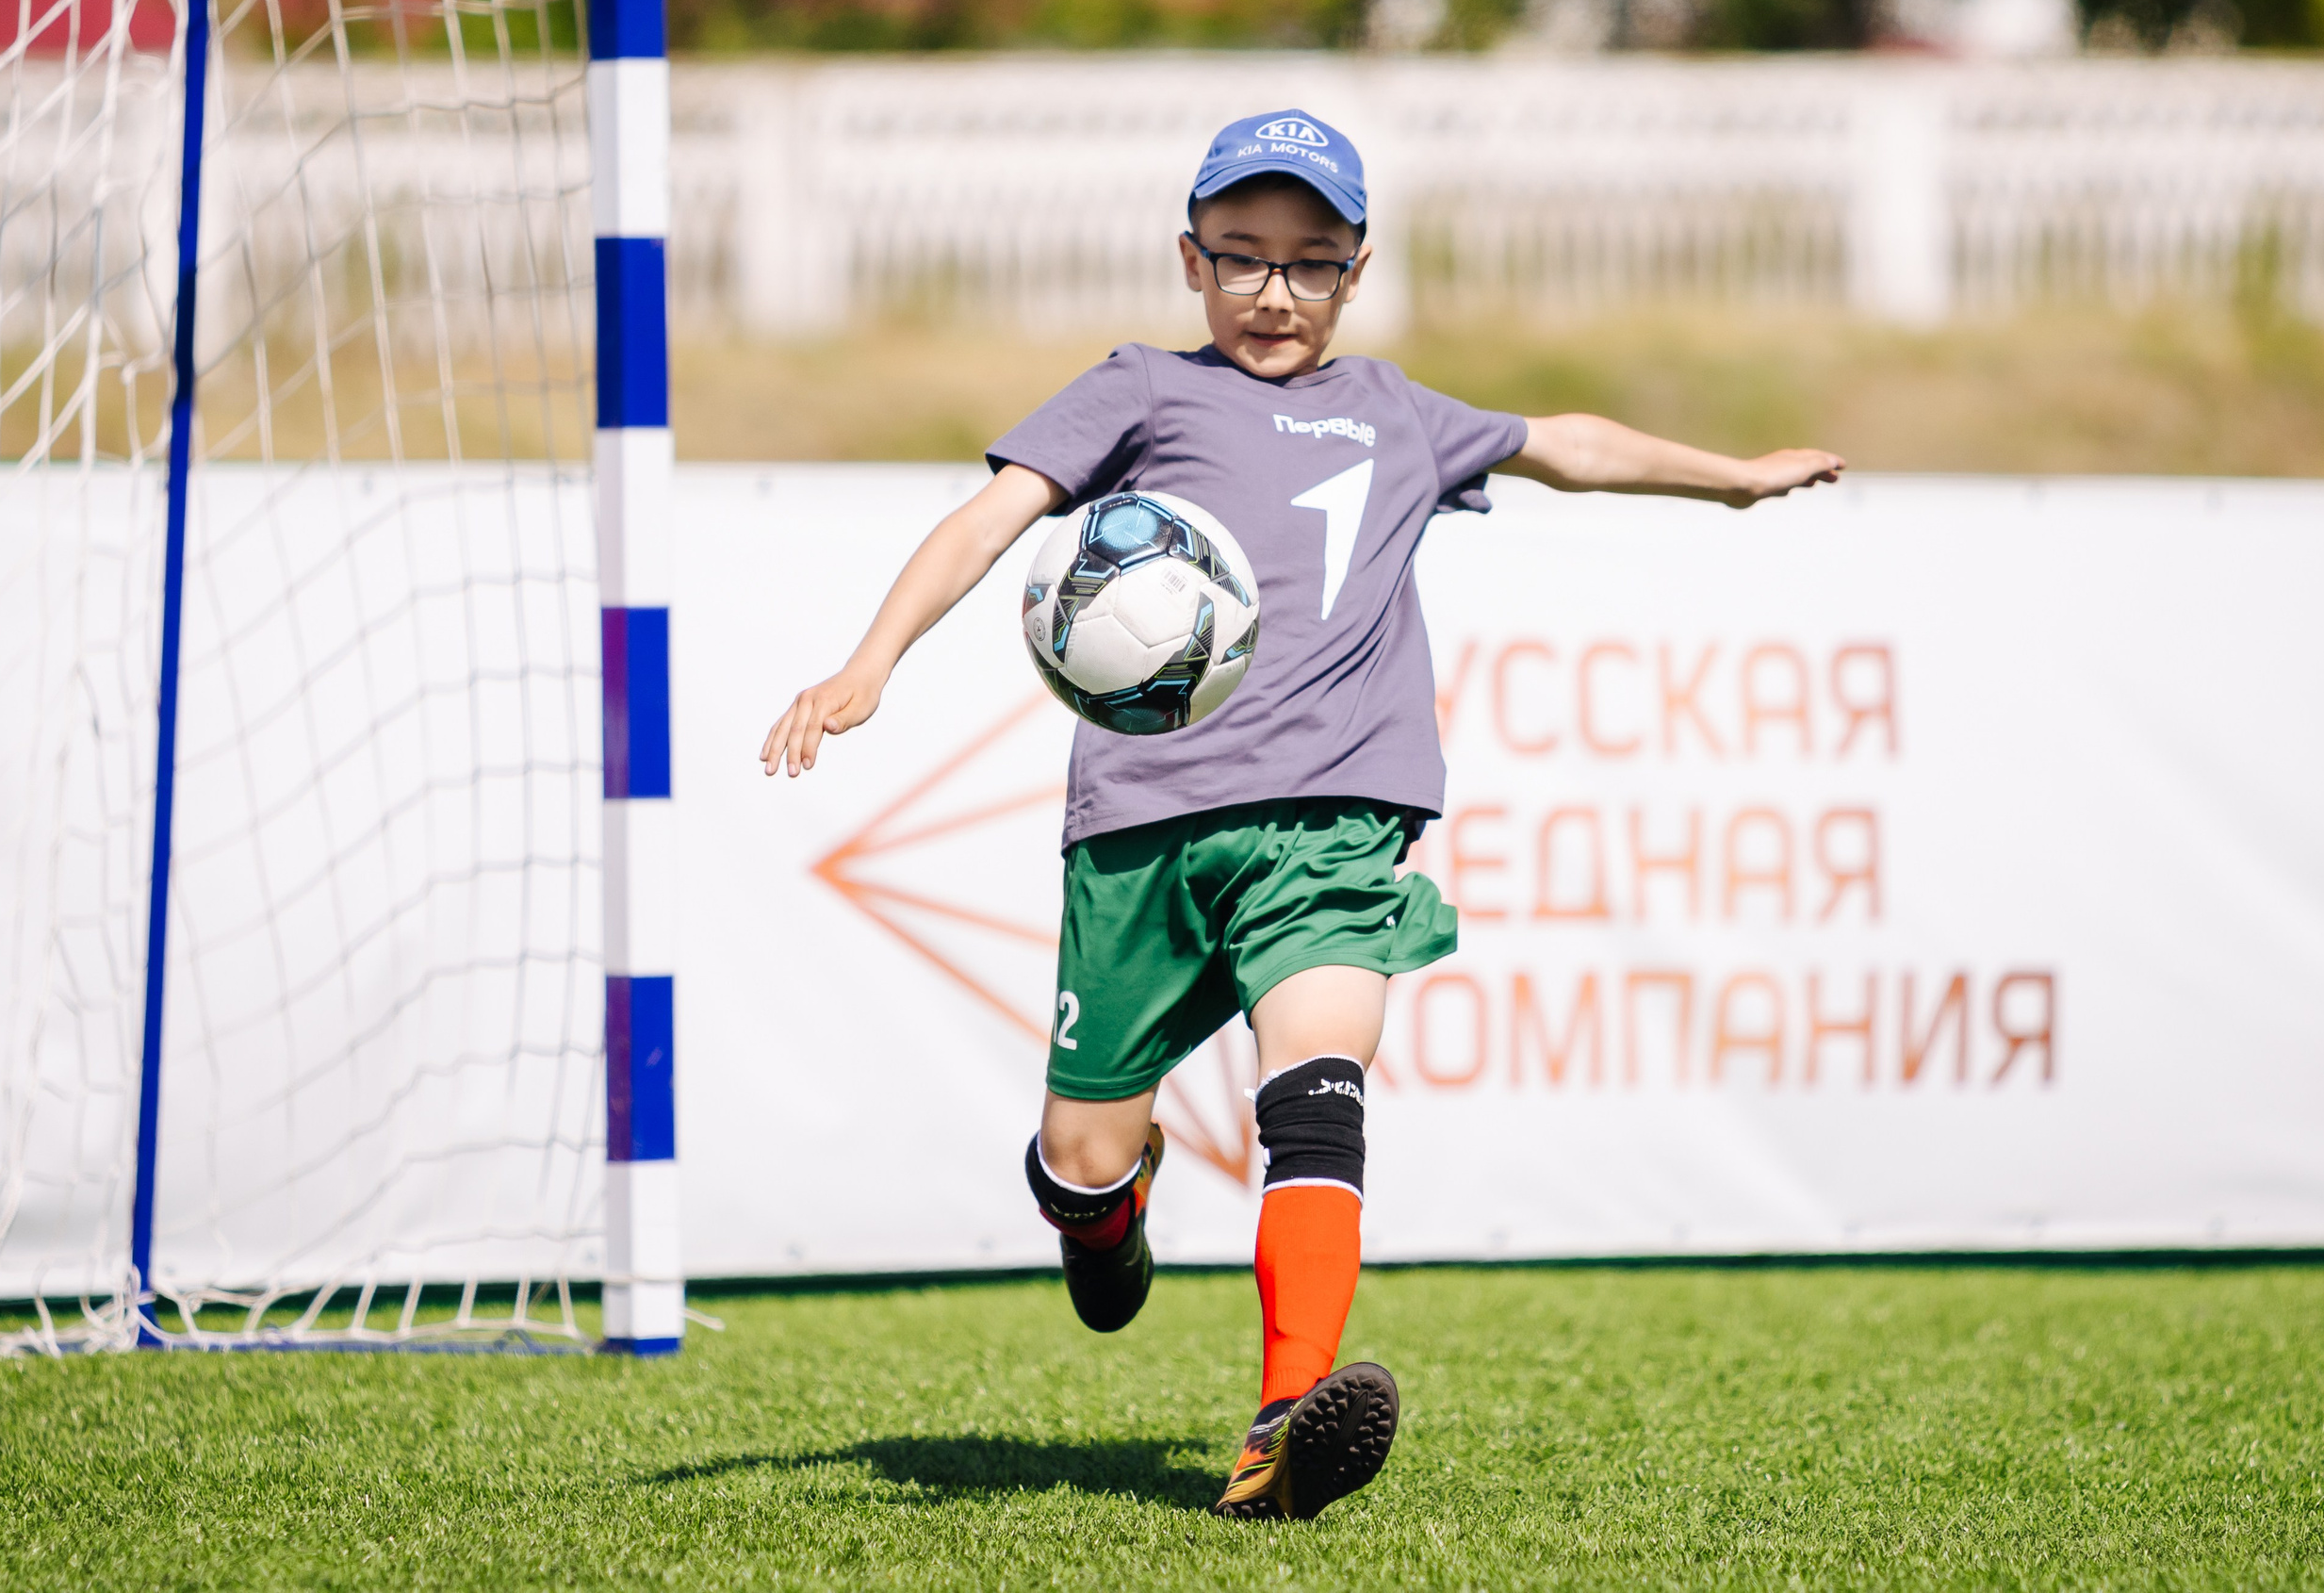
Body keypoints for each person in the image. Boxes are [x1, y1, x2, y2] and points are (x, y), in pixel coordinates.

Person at [760, 108, 1842, 1521]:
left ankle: (1282, 1430)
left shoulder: (1396, 413)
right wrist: (869, 662)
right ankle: (1104, 1211)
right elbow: (990, 520)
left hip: (1335, 824)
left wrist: (1734, 482)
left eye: (1312, 262)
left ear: (1357, 268)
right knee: (1084, 1159)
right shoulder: (1140, 391)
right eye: (1244, 258)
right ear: (1192, 261)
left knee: (1318, 1094)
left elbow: (1561, 441)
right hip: (1143, 836)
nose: (1276, 292)